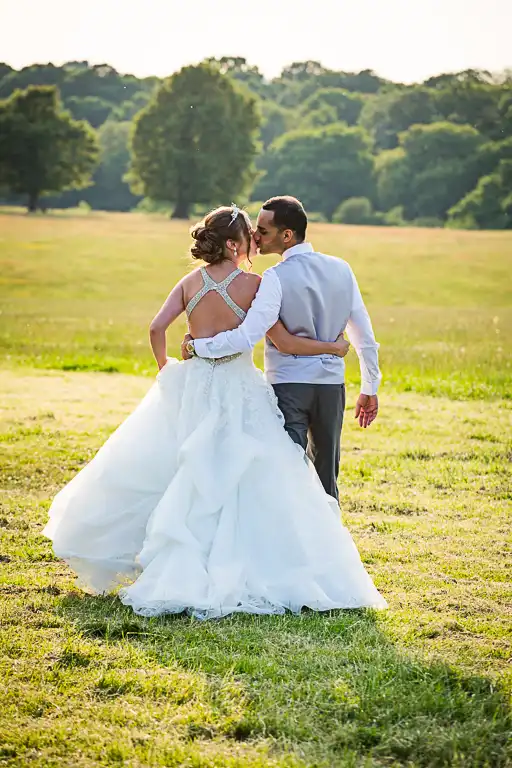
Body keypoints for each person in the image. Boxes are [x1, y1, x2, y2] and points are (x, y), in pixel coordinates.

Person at [43, 205, 386, 619]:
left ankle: (173, 557)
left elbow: (156, 328)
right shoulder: (257, 284)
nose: (256, 240)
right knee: (259, 470)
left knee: (186, 466)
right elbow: (278, 339)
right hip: (240, 385)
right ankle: (278, 553)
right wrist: (334, 348)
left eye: (262, 232)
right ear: (233, 243)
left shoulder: (190, 282)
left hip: (195, 383)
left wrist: (168, 366)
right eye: (251, 234)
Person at [184, 196, 381, 502]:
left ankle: (295, 541)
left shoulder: (274, 278)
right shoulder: (341, 269)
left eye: (262, 230)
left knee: (287, 469)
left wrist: (198, 346)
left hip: (289, 387)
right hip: (331, 387)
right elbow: (363, 334)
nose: (255, 236)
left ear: (286, 235)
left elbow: (246, 336)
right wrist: (370, 386)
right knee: (327, 473)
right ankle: (327, 542)